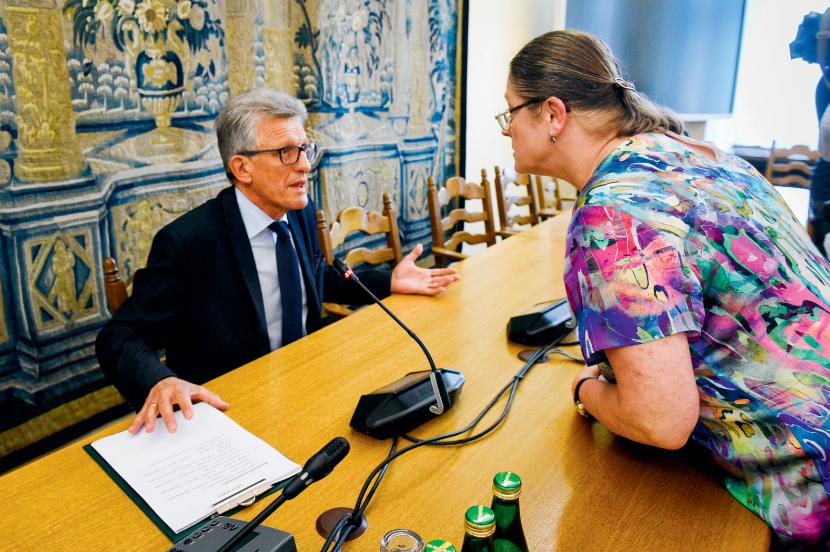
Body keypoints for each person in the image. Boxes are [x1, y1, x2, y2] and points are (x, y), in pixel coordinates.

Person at [499, 30, 830, 549]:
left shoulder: (613, 212)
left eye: (511, 111)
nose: (506, 129)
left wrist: (586, 391)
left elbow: (659, 420)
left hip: (807, 475)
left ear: (553, 114)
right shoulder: (697, 152)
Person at [97, 88, 459, 435]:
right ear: (242, 167)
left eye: (304, 149)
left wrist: (389, 281)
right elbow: (119, 337)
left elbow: (316, 277)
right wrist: (160, 380)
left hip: (309, 384)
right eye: (287, 152)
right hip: (235, 411)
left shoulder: (298, 211)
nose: (305, 166)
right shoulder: (187, 243)